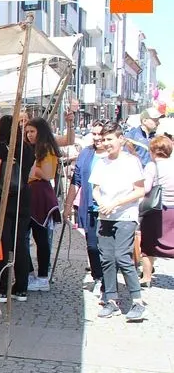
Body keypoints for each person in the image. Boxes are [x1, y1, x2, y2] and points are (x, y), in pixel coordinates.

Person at [90, 123, 147, 320]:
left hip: (125, 216)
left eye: (109, 139)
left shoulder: (131, 162)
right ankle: (111, 299)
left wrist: (116, 203)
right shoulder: (101, 162)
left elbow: (140, 190)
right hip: (105, 216)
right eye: (103, 140)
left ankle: (137, 301)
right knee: (106, 258)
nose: (106, 143)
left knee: (123, 256)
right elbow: (96, 189)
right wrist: (102, 202)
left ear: (120, 139)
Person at [0, 115, 33, 302]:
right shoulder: (27, 148)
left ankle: (0, 288)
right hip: (23, 199)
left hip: (3, 200)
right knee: (20, 244)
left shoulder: (1, 148)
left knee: (1, 243)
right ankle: (21, 288)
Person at [63, 122, 106, 289]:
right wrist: (67, 205)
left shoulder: (114, 154)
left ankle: (108, 283)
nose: (96, 138)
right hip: (90, 206)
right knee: (92, 245)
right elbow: (76, 180)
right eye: (93, 134)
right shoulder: (87, 153)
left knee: (109, 248)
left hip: (111, 209)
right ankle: (98, 277)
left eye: (99, 134)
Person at [24, 117, 62, 292]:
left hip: (40, 194)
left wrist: (31, 166)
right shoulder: (28, 148)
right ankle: (29, 272)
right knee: (22, 238)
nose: (29, 135)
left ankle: (42, 277)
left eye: (32, 131)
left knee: (41, 238)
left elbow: (47, 174)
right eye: (27, 131)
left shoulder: (46, 149)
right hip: (28, 193)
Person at [139, 135, 174, 286]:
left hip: (158, 210)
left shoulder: (152, 166)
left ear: (152, 151)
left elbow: (145, 188)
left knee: (149, 244)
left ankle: (146, 277)